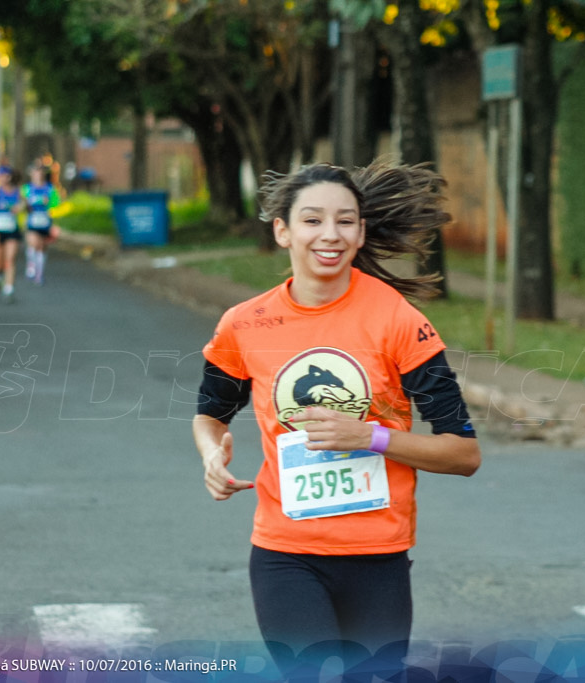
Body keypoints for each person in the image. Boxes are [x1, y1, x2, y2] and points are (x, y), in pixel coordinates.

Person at [192, 162, 481, 677]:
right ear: (282, 230)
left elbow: (463, 453)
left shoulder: (397, 320)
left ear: (361, 231)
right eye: (312, 220)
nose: (330, 235)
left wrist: (370, 436)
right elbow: (209, 416)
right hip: (286, 553)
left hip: (378, 557)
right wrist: (213, 454)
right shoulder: (245, 324)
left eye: (345, 221)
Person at [21, 165, 59, 286]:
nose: (38, 174)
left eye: (41, 172)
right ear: (31, 174)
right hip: (31, 222)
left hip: (45, 222)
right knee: (34, 243)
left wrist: (50, 210)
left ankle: (39, 273)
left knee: (42, 247)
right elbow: (20, 205)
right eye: (36, 172)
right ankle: (31, 265)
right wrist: (26, 206)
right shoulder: (26, 189)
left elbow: (56, 206)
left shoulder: (50, 189)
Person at [0, 167, 24, 304]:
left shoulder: (17, 192)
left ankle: (9, 288)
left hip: (12, 229)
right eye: (1, 176)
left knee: (10, 258)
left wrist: (20, 207)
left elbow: (24, 204)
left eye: (6, 175)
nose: (3, 178)